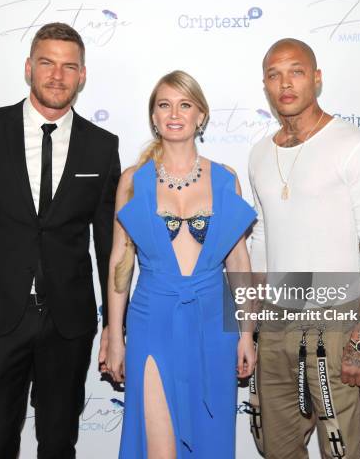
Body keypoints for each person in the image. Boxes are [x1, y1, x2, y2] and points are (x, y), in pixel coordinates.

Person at [0, 23, 120, 458]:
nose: (57, 75)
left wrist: (114, 323)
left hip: (68, 324)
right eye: (47, 63)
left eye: (69, 66)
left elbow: (108, 243)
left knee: (58, 446)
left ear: (82, 75)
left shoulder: (102, 146)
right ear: (28, 68)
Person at [249, 39, 360, 459]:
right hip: (275, 324)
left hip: (336, 322)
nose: (285, 83)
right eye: (274, 75)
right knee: (276, 448)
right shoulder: (259, 155)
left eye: (295, 71)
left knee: (347, 450)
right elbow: (261, 243)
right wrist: (251, 326)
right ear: (265, 85)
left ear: (317, 78)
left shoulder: (353, 145)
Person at [103, 70, 257, 458]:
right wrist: (115, 336)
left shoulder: (226, 180)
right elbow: (121, 264)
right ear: (153, 117)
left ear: (200, 116)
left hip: (213, 325)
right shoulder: (133, 181)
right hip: (153, 321)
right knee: (160, 448)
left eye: (185, 104)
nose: (175, 113)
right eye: (164, 104)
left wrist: (246, 333)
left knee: (210, 443)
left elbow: (239, 264)